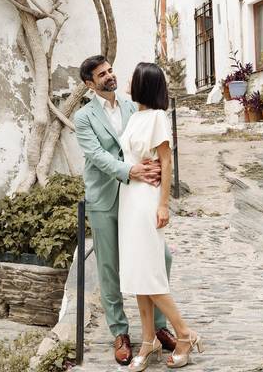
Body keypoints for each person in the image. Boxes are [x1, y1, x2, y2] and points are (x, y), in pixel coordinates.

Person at [73, 55, 177, 365]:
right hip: (106, 198)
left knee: (161, 257)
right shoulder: (84, 117)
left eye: (110, 70)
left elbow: (148, 144)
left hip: (137, 197)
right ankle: (120, 332)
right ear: (90, 84)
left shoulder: (134, 106)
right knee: (109, 268)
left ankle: (158, 328)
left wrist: (156, 169)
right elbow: (97, 157)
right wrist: (131, 170)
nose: (109, 76)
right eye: (101, 74)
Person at [119, 62, 203, 370]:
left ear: (143, 83)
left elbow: (166, 162)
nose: (128, 80)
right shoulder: (135, 117)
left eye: (133, 76)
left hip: (146, 201)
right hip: (128, 197)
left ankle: (184, 333)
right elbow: (130, 159)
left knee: (150, 273)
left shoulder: (156, 117)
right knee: (136, 273)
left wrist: (164, 204)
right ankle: (148, 339)